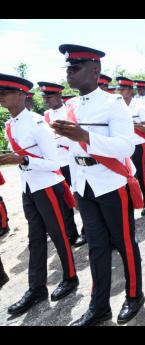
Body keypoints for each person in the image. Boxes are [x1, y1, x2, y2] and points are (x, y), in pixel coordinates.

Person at [51, 44, 144, 326]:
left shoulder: (113, 103)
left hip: (110, 182)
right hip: (84, 184)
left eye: (75, 68)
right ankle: (99, 305)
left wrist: (85, 136)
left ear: (95, 70)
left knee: (125, 242)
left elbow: (126, 147)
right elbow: (67, 147)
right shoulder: (70, 106)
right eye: (68, 68)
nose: (69, 73)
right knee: (96, 247)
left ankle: (133, 295)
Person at [0, 73, 79, 316]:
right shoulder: (9, 125)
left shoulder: (37, 123)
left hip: (48, 185)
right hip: (29, 188)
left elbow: (54, 163)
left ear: (22, 95)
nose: (1, 96)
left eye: (6, 92)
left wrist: (22, 159)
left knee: (58, 235)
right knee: (35, 238)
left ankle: (70, 276)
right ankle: (37, 288)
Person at [39, 81, 86, 247]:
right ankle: (71, 233)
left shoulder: (71, 111)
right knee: (63, 200)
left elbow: (78, 138)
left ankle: (86, 231)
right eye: (44, 97)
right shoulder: (45, 116)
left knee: (81, 196)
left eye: (49, 97)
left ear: (59, 95)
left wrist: (57, 139)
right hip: (56, 164)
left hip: (72, 161)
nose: (46, 100)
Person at [116, 77, 145, 216]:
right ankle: (132, 202)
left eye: (123, 89)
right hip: (124, 146)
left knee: (142, 175)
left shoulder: (139, 106)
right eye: (119, 89)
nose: (120, 92)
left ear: (130, 90)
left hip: (139, 144)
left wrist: (130, 124)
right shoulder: (117, 106)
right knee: (127, 176)